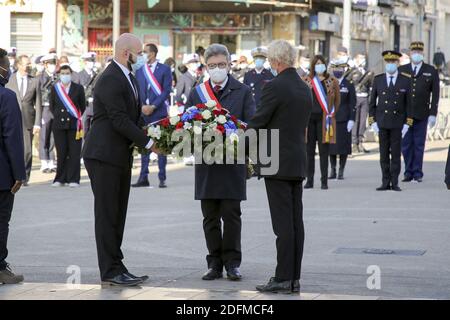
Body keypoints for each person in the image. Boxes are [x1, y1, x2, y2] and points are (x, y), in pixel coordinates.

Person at [82, 33, 155, 287]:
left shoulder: (129, 77)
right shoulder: (110, 78)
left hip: (118, 154)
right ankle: (110, 271)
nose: (142, 57)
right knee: (107, 214)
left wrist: (158, 132)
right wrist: (149, 143)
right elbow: (119, 119)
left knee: (118, 213)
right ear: (127, 53)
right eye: (140, 52)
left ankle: (117, 265)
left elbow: (133, 118)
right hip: (103, 155)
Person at [185, 43, 255, 282]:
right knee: (210, 217)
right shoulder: (198, 92)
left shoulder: (243, 91)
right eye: (212, 65)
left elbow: (251, 125)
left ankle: (233, 264)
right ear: (206, 67)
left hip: (232, 163)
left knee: (232, 215)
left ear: (229, 65)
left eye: (221, 65)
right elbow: (187, 124)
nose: (217, 69)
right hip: (206, 163)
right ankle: (214, 263)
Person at [248, 40, 311, 294]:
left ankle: (283, 277)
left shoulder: (274, 86)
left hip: (277, 163)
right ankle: (294, 277)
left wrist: (240, 144)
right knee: (296, 222)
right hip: (297, 160)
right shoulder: (304, 87)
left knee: (282, 225)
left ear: (275, 61)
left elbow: (259, 121)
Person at [369, 50, 413, 191]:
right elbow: (372, 104)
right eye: (388, 62)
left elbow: (409, 105)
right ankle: (385, 181)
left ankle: (394, 182)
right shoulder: (378, 79)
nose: (390, 64)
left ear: (397, 63)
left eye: (393, 62)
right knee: (383, 154)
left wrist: (408, 123)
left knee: (395, 154)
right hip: (382, 122)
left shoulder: (405, 80)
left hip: (397, 123)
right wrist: (372, 122)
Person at [0, 47, 26, 284]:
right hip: (1, 175)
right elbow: (13, 138)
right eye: (6, 65)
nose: (9, 70)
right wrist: (20, 174)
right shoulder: (6, 96)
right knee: (0, 221)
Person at [399, 41, 440, 183]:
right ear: (410, 53)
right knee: (405, 144)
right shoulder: (402, 69)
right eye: (414, 52)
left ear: (423, 54)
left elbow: (435, 94)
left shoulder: (431, 70)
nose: (416, 54)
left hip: (422, 113)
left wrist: (433, 113)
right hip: (405, 115)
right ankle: (408, 172)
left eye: (419, 52)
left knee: (418, 144)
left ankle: (417, 172)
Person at [133, 43, 172, 188]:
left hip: (159, 112)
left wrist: (154, 106)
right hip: (144, 113)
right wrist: (142, 106)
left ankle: (162, 177)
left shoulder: (165, 69)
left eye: (145, 52)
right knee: (144, 145)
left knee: (160, 145)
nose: (143, 54)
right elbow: (138, 89)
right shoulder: (140, 70)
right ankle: (143, 177)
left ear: (153, 53)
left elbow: (166, 90)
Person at [302, 55, 340, 190]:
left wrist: (332, 113)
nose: (319, 65)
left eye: (321, 63)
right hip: (309, 120)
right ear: (313, 66)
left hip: (325, 120)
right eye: (316, 63)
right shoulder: (307, 80)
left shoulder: (332, 80)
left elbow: (337, 101)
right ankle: (309, 180)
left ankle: (324, 181)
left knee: (324, 151)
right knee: (309, 151)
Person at [6, 55, 42, 185]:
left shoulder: (35, 81)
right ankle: (13, 175)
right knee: (12, 147)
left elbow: (38, 103)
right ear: (18, 65)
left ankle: (25, 177)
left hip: (28, 119)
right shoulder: (9, 79)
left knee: (27, 150)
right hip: (10, 119)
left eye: (29, 64)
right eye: (26, 64)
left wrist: (38, 122)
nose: (28, 66)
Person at [49, 65, 86, 187]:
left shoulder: (78, 88)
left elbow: (82, 106)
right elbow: (52, 106)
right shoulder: (55, 88)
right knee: (61, 152)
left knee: (74, 152)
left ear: (71, 74)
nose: (65, 75)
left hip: (74, 125)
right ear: (59, 75)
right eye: (63, 73)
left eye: (67, 73)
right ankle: (60, 178)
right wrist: (58, 116)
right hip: (59, 125)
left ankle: (74, 179)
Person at [329, 61, 356, 180]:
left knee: (343, 147)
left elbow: (352, 103)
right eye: (335, 69)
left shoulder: (348, 84)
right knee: (332, 146)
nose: (337, 71)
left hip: (344, 119)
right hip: (332, 119)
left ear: (343, 71)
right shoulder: (329, 83)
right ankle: (333, 170)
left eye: (340, 69)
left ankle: (341, 170)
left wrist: (352, 119)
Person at [347, 53, 374, 154]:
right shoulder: (352, 71)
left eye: (364, 59)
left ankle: (360, 142)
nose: (363, 60)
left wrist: (371, 99)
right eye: (360, 59)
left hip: (365, 98)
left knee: (363, 122)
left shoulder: (368, 72)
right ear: (356, 59)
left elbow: (371, 86)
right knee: (355, 120)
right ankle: (354, 143)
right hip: (355, 98)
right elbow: (347, 82)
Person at [38, 53, 58, 173]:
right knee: (44, 135)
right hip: (44, 108)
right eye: (50, 63)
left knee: (52, 136)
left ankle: (51, 160)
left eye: (54, 63)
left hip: (54, 109)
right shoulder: (40, 77)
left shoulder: (57, 77)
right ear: (45, 65)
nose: (53, 65)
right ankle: (44, 161)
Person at [76, 52, 98, 135]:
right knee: (84, 133)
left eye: (93, 61)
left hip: (95, 108)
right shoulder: (79, 75)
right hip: (84, 107)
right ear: (85, 62)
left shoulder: (97, 75)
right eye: (90, 61)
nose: (92, 63)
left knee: (94, 134)